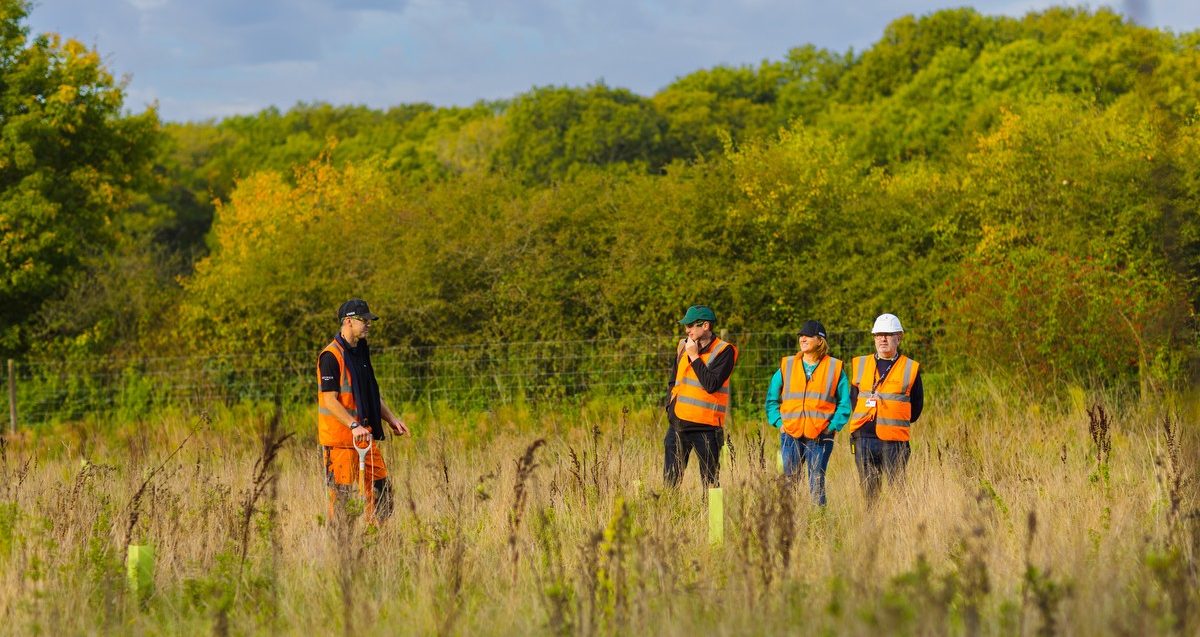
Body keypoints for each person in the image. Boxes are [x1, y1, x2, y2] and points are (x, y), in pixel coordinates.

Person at [317, 298, 410, 523]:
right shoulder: (330, 356)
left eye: (369, 320)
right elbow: (330, 401)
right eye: (363, 320)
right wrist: (354, 425)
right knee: (342, 502)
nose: (368, 323)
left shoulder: (361, 351)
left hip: (364, 438)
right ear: (348, 321)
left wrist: (391, 419)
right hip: (341, 442)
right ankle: (342, 552)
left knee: (382, 494)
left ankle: (376, 544)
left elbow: (370, 394)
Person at [764, 320, 851, 505]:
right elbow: (771, 399)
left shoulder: (835, 368)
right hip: (790, 435)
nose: (802, 338)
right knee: (789, 483)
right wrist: (779, 424)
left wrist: (833, 427)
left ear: (820, 341)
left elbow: (845, 404)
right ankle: (788, 523)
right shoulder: (787, 365)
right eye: (800, 336)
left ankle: (817, 524)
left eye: (808, 335)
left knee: (816, 483)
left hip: (821, 436)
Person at [846, 313, 923, 504]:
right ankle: (874, 531)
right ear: (874, 337)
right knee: (870, 498)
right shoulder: (861, 364)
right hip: (863, 439)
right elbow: (854, 400)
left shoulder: (910, 368)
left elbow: (916, 409)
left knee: (898, 494)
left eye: (888, 334)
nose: (883, 338)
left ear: (899, 337)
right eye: (879, 334)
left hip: (894, 442)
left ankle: (900, 531)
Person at [664, 305, 738, 489]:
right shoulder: (683, 345)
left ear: (705, 326)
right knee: (670, 482)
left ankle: (710, 517)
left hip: (706, 427)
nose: (687, 330)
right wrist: (670, 408)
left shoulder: (725, 351)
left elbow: (711, 384)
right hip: (678, 423)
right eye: (686, 326)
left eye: (690, 325)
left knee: (710, 483)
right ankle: (668, 514)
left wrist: (694, 356)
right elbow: (673, 380)